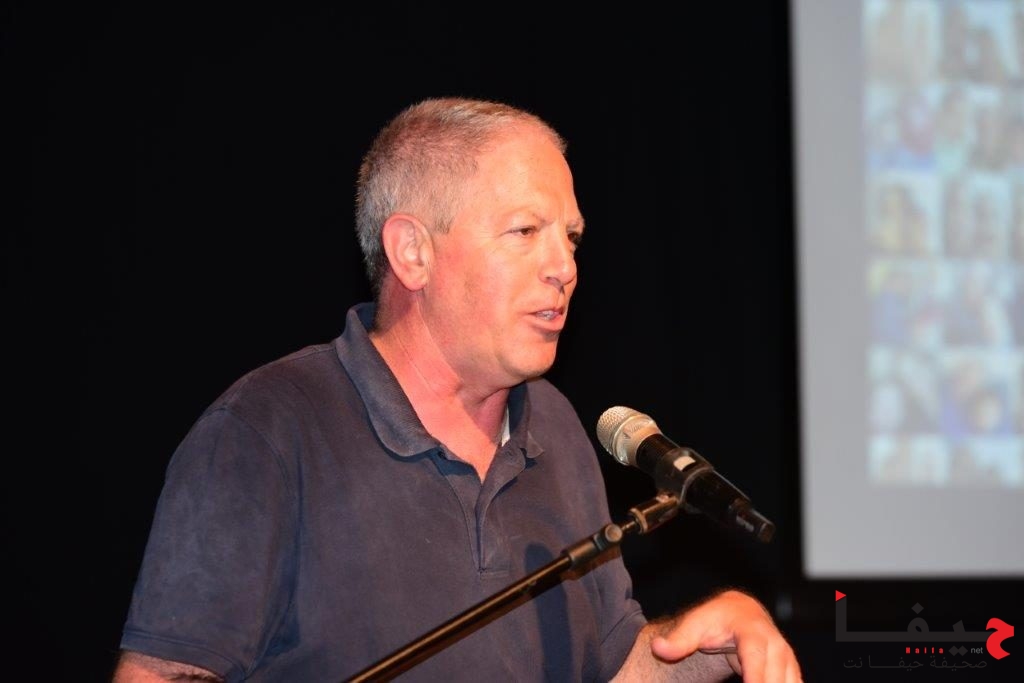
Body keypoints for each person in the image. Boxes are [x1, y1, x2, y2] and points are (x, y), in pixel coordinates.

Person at [112, 97, 802, 682]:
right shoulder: (267, 429)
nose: (564, 266)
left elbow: (612, 668)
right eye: (525, 231)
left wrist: (706, 646)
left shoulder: (556, 428)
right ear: (413, 252)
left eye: (570, 237)